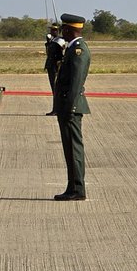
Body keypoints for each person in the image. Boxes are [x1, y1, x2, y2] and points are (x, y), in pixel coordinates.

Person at [52, 13, 91, 201]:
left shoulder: (79, 50)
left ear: (69, 29)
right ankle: (72, 186)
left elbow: (75, 83)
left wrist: (70, 107)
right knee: (69, 148)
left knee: (74, 148)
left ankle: (77, 189)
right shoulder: (72, 48)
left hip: (71, 107)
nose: (62, 33)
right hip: (68, 105)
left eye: (63, 29)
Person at [43, 22, 65, 116]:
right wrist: (48, 42)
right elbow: (48, 52)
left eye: (55, 30)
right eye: (51, 29)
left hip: (55, 67)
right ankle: (56, 109)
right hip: (50, 66)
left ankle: (56, 109)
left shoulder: (59, 41)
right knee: (53, 89)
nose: (52, 31)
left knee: (56, 89)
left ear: (58, 31)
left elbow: (60, 54)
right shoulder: (52, 40)